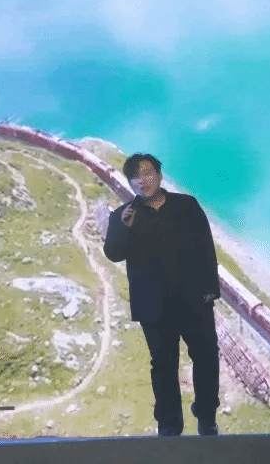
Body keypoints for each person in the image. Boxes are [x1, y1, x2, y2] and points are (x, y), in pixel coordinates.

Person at [103, 153, 222, 436]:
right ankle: (169, 425)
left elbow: (205, 246)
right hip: (153, 306)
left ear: (159, 175)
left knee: (207, 357)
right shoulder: (122, 216)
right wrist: (124, 228)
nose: (142, 180)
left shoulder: (187, 205)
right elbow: (113, 253)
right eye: (135, 176)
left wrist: (210, 289)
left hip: (194, 301)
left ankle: (206, 415)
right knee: (163, 365)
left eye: (147, 173)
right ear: (130, 183)